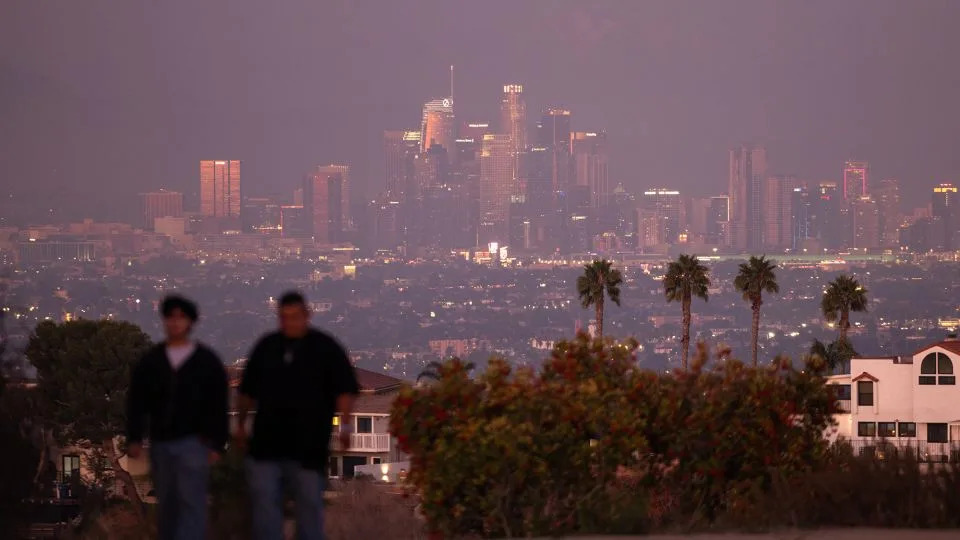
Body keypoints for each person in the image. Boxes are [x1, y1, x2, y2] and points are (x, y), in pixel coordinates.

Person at [236, 291, 359, 540]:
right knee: (265, 511)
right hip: (266, 447)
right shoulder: (267, 347)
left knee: (309, 514)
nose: (290, 323)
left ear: (307, 315)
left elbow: (345, 390)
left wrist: (346, 427)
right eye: (285, 317)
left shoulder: (325, 348)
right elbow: (246, 391)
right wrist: (240, 424)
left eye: (295, 317)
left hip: (308, 450)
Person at [126, 295, 228, 540]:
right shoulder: (152, 361)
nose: (175, 322)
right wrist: (134, 437)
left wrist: (217, 443)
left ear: (190, 322)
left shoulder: (206, 361)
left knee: (192, 503)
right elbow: (137, 401)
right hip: (161, 443)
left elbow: (218, 403)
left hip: (195, 443)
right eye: (171, 317)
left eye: (181, 317)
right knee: (168, 505)